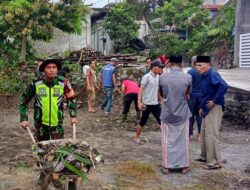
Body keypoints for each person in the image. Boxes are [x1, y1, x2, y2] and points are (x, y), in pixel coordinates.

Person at [19, 58, 77, 141]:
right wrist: (23, 119)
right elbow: (23, 100)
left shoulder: (63, 82)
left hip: (57, 123)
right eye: (48, 67)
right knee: (41, 150)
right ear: (44, 70)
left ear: (57, 69)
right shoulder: (36, 83)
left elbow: (71, 98)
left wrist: (73, 116)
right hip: (40, 124)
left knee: (59, 150)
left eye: (54, 67)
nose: (51, 70)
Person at [159, 55, 192, 174]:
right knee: (183, 139)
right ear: (181, 64)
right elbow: (187, 95)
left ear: (169, 63)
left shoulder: (162, 77)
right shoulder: (188, 77)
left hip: (167, 112)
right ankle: (184, 166)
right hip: (182, 112)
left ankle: (166, 166)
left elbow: (161, 94)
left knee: (167, 139)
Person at [195, 55, 228, 170]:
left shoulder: (212, 74)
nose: (197, 67)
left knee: (211, 134)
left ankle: (215, 162)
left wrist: (214, 100)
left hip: (215, 107)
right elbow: (205, 93)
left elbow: (224, 86)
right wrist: (201, 107)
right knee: (204, 133)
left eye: (200, 65)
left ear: (208, 65)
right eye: (196, 65)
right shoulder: (204, 76)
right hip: (206, 108)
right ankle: (205, 156)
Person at [135, 60, 163, 144]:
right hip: (146, 104)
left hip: (155, 104)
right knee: (143, 121)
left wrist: (160, 99)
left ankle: (166, 137)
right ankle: (137, 136)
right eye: (159, 67)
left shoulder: (158, 77)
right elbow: (140, 90)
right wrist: (139, 102)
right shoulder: (146, 77)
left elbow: (157, 89)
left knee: (161, 120)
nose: (161, 69)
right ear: (154, 67)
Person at [187, 56, 202, 140]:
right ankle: (200, 134)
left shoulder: (190, 72)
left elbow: (187, 84)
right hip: (201, 96)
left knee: (190, 115)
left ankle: (189, 133)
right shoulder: (202, 71)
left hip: (191, 96)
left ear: (193, 63)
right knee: (200, 115)